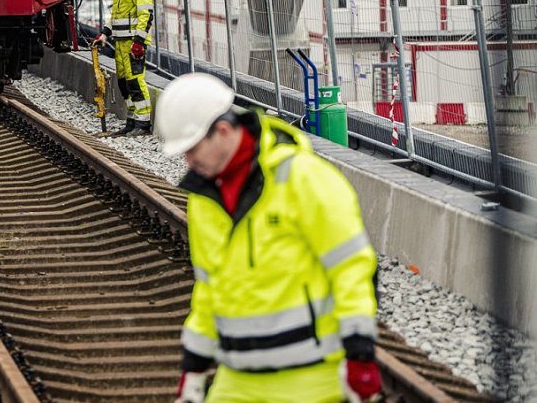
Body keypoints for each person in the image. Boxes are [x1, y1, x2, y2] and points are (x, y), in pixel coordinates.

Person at [157, 73, 382, 403]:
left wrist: (360, 355)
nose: (187, 162)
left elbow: (352, 270)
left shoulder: (303, 178)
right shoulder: (203, 200)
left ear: (222, 131)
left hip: (311, 377)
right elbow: (209, 289)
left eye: (191, 149)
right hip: (237, 379)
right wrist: (193, 367)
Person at [95, 0, 154, 135]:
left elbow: (146, 15)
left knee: (135, 81)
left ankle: (143, 123)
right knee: (124, 83)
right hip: (120, 43)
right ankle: (132, 121)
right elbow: (117, 17)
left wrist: (139, 42)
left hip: (132, 44)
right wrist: (105, 33)